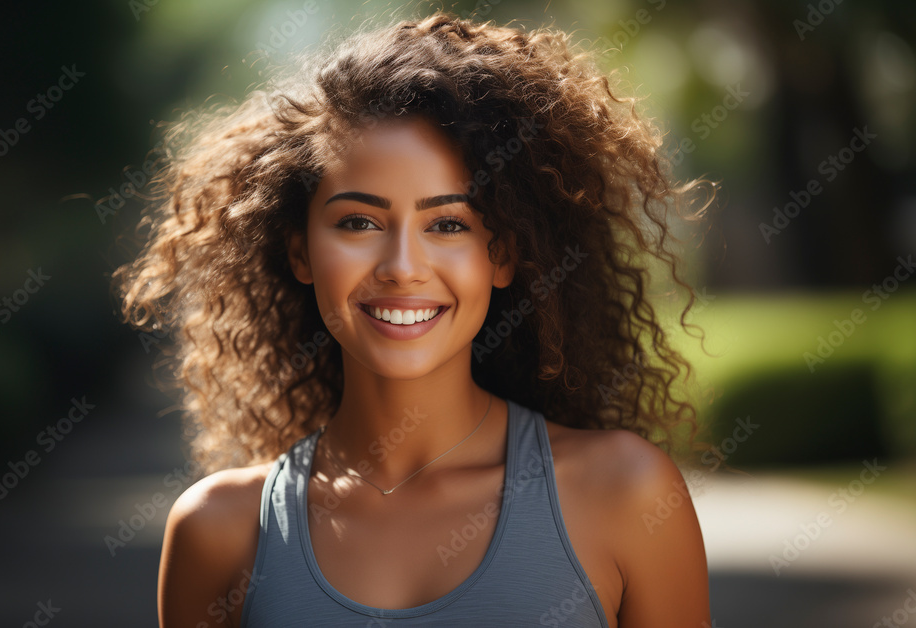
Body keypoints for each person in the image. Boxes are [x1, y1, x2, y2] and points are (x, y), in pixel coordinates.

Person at [113, 9, 715, 627]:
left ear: (503, 256)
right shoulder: (219, 530)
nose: (403, 267)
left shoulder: (626, 493)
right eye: (359, 222)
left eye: (448, 224)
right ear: (300, 251)